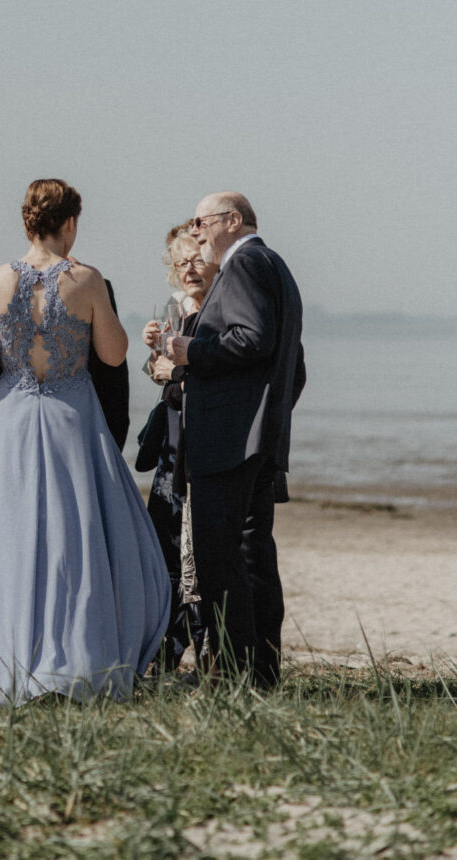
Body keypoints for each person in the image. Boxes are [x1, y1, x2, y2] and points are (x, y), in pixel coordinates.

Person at [0, 178, 170, 703]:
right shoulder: (86, 280)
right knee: (73, 538)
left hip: (11, 418)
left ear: (26, 223)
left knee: (7, 538)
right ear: (69, 224)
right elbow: (111, 353)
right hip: (70, 419)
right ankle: (76, 658)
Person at [166, 192, 306, 686]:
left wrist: (190, 351)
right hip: (251, 440)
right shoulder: (272, 265)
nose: (196, 230)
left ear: (233, 220)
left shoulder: (245, 264)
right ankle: (258, 673)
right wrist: (268, 420)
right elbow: (294, 368)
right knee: (248, 559)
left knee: (219, 560)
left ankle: (233, 676)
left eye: (201, 221)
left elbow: (253, 339)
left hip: (228, 442)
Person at [138, 226, 216, 671]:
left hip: (200, 437)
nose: (188, 269)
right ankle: (166, 646)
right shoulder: (173, 310)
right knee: (165, 540)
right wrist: (153, 356)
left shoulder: (219, 310)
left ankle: (203, 644)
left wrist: (173, 373)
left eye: (195, 260)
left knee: (198, 544)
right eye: (179, 262)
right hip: (171, 437)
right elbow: (157, 373)